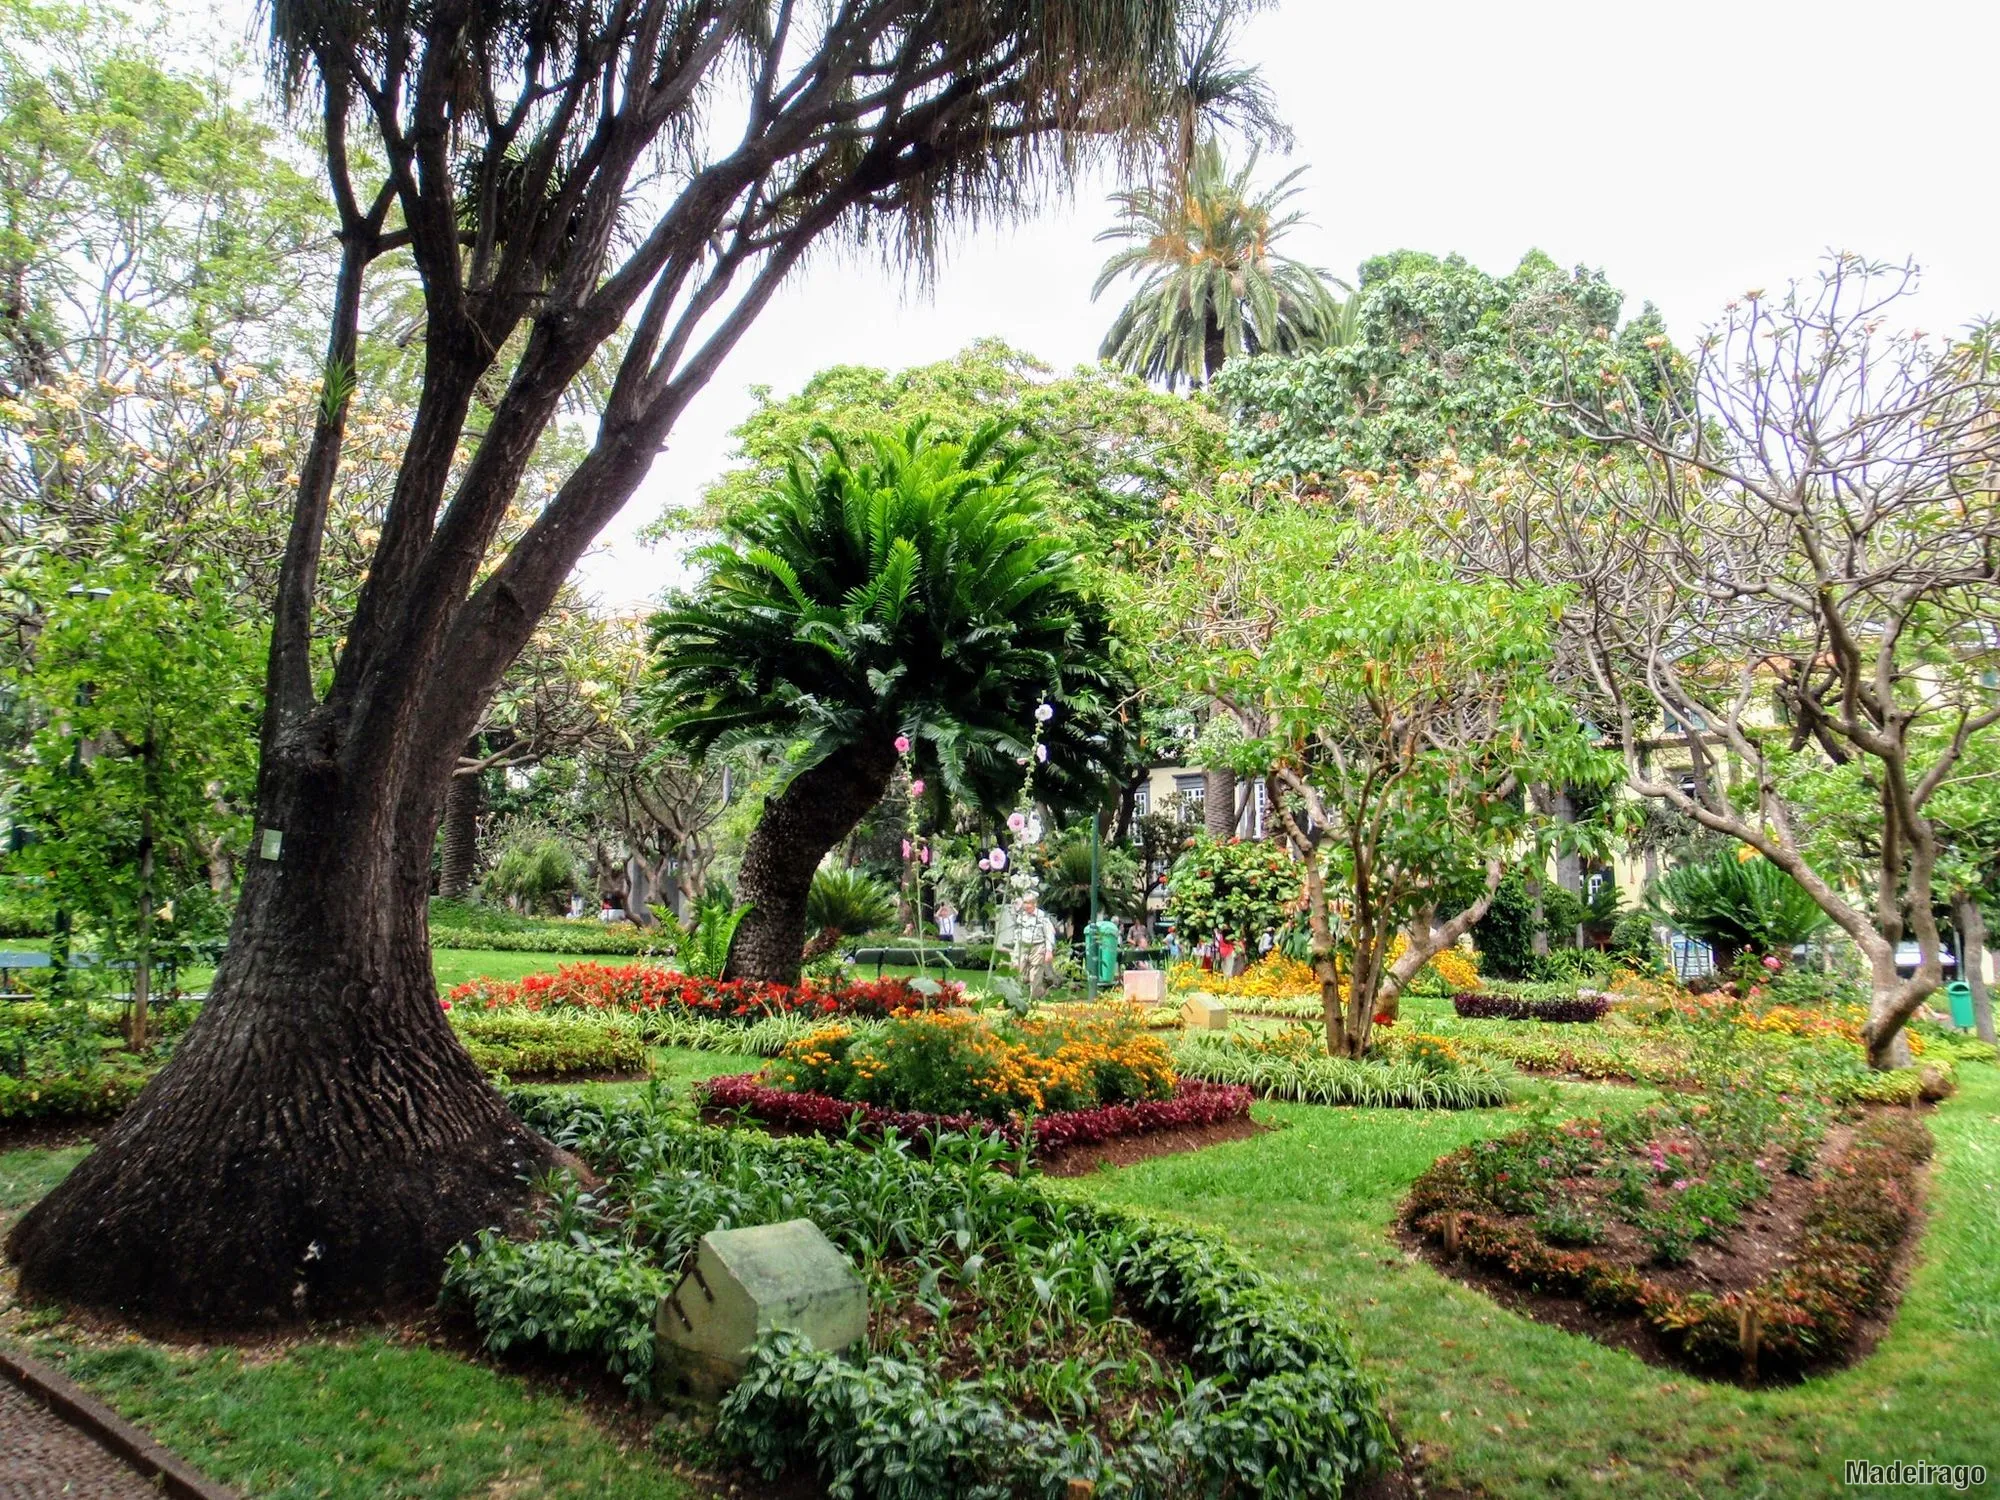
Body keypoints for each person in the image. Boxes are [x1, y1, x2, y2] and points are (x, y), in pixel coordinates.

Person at [1016, 893, 1058, 1001]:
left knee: (1035, 975)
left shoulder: (1042, 916)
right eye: (1025, 903)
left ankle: (1033, 1000)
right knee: (1019, 972)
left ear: (1035, 904)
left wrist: (1049, 951)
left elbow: (1049, 934)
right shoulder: (1021, 916)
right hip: (1023, 946)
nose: (1026, 906)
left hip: (1038, 946)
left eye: (1029, 903)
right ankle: (1017, 998)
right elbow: (1017, 934)